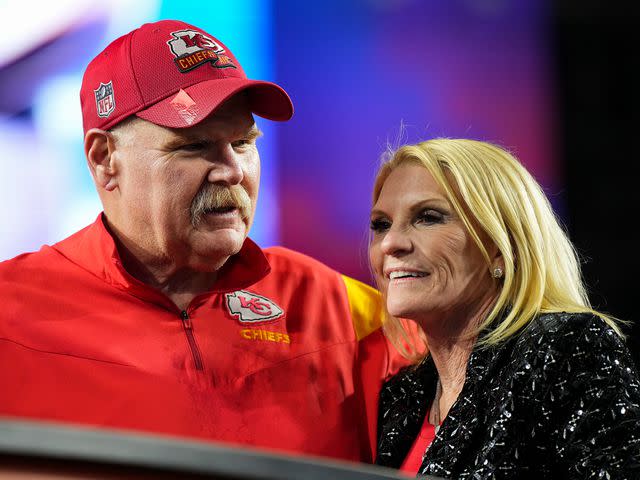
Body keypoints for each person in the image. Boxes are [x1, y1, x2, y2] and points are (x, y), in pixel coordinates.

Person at [0, 20, 404, 463]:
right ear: (104, 159)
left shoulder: (339, 308)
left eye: (244, 142)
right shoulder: (10, 313)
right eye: (194, 146)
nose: (232, 172)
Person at [369, 139, 640, 478]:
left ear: (500, 247)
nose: (391, 243)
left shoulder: (567, 350)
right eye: (381, 224)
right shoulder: (401, 396)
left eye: (428, 217)